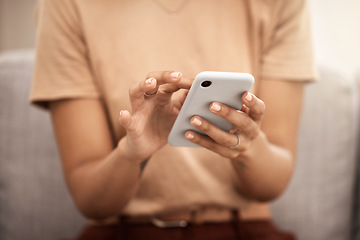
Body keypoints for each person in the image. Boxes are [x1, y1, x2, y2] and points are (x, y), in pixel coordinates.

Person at [30, 0, 316, 239]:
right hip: (125, 231)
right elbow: (90, 201)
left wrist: (247, 146)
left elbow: (272, 185)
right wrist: (131, 156)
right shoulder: (66, 4)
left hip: (242, 227)